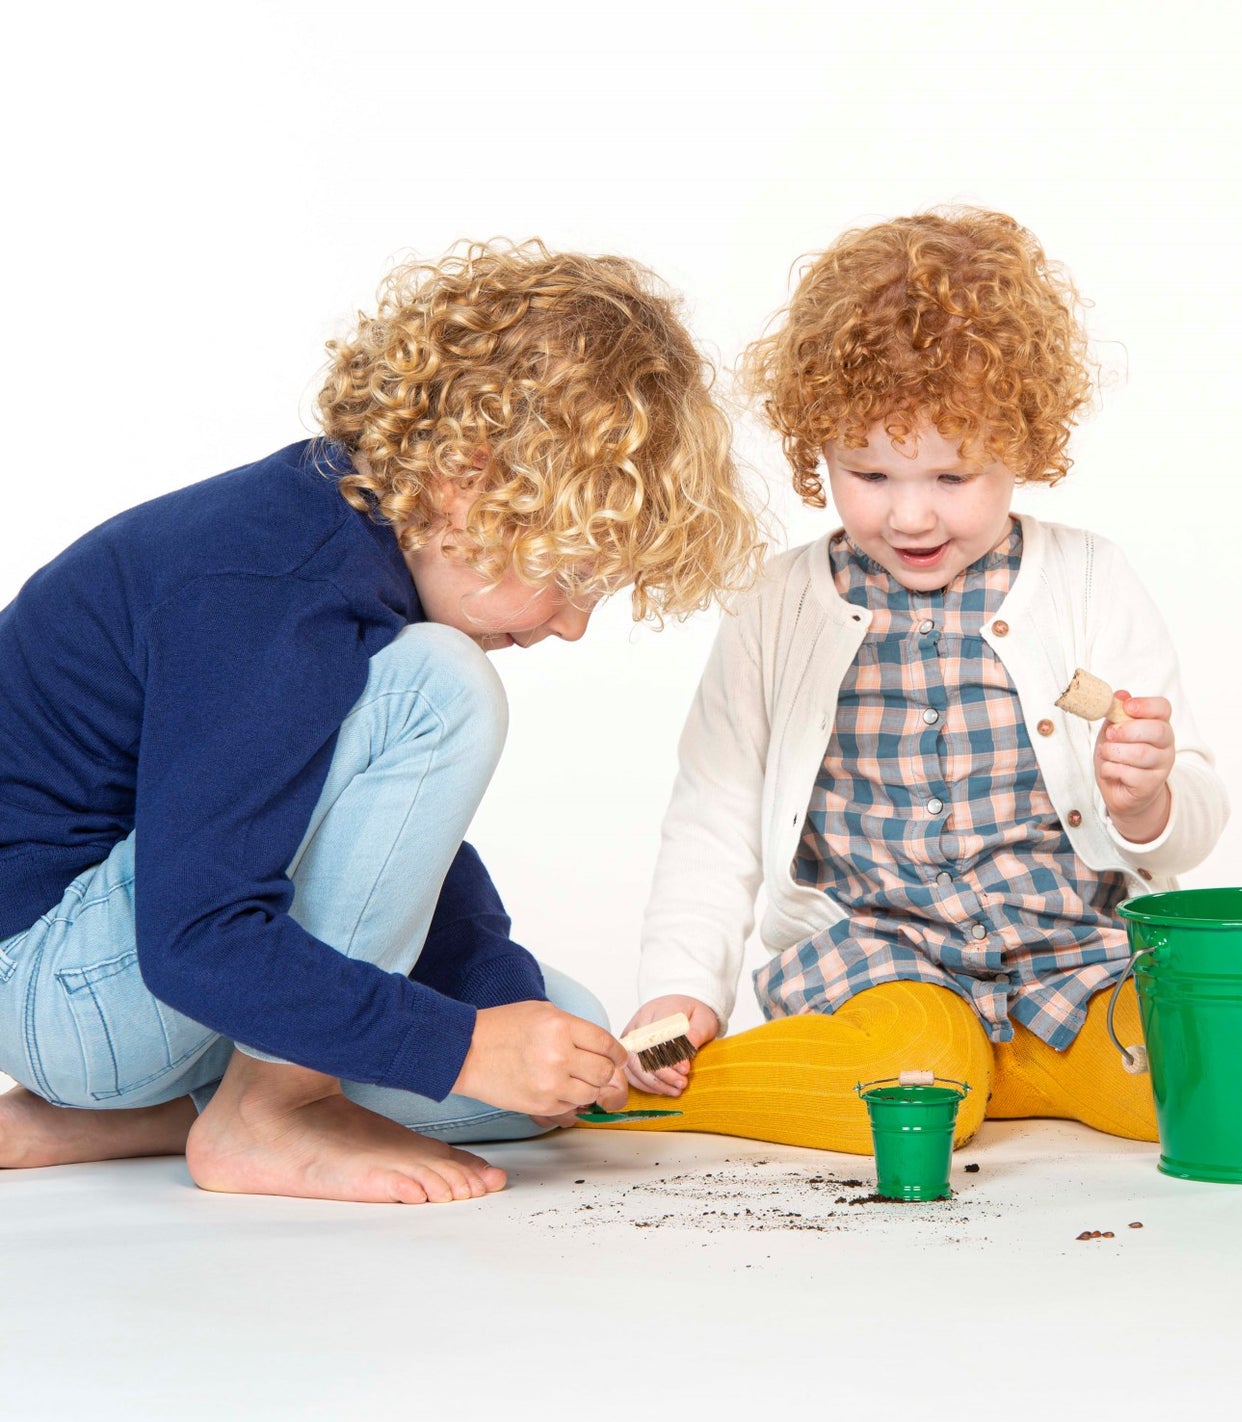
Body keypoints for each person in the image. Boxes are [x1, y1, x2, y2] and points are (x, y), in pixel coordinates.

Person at [0, 240, 761, 1202]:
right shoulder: (271, 579)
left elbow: (381, 854)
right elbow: (195, 932)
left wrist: (502, 1017)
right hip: (59, 982)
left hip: (139, 982)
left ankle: (133, 1119)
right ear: (468, 481)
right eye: (568, 575)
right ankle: (269, 1112)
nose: (571, 624)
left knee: (557, 1042)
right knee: (440, 686)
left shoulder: (352, 553)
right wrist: (464, 1046)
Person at [609, 208, 1229, 1153]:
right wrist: (679, 988)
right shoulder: (779, 605)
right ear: (816, 445)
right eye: (867, 473)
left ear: (1022, 441)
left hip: (1076, 963)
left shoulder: (1087, 580)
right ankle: (681, 1092)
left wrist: (1146, 800)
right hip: (884, 967)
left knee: (1215, 1073)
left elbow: (1193, 811)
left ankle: (1007, 1072)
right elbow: (714, 811)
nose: (908, 515)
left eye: (951, 476)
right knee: (920, 1087)